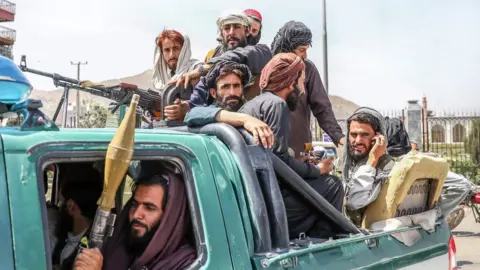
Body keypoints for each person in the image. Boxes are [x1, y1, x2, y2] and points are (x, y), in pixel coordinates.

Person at [238, 53, 344, 239]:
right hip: (272, 203)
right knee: (333, 185)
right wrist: (317, 170)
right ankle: (320, 249)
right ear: (290, 82)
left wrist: (301, 163)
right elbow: (279, 163)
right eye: (302, 83)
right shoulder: (277, 105)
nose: (303, 91)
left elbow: (272, 156)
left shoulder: (253, 104)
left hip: (255, 195)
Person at [73, 173, 196, 270]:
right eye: (134, 205)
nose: (136, 214)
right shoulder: (120, 246)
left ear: (169, 217)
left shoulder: (189, 263)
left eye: (149, 208)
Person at [168, 10, 272, 120]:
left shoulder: (261, 52)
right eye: (227, 28)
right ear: (221, 34)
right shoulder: (216, 61)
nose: (231, 32)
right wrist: (185, 107)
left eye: (236, 27)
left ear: (247, 31)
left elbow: (240, 55)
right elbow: (201, 92)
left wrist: (202, 69)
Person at [270, 21, 345, 158]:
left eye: (306, 49)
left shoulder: (308, 69)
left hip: (302, 149)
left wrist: (339, 137)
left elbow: (322, 108)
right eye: (301, 50)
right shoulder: (267, 69)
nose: (305, 55)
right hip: (272, 150)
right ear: (287, 47)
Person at [385, 117, 472, 217]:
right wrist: (434, 215)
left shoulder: (377, 166)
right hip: (422, 223)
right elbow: (463, 185)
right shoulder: (420, 165)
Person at [183, 60, 274, 149]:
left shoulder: (252, 110)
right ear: (214, 93)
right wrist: (244, 119)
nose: (232, 92)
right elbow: (192, 113)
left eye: (236, 86)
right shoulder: (209, 111)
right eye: (225, 87)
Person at [342, 107, 396, 225]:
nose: (358, 141)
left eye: (364, 135)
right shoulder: (342, 165)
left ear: (378, 137)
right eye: (353, 134)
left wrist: (373, 160)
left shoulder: (386, 167)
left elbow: (355, 202)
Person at [51, 164, 103, 270]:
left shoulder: (93, 247)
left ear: (71, 206)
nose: (59, 207)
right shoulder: (66, 236)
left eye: (61, 202)